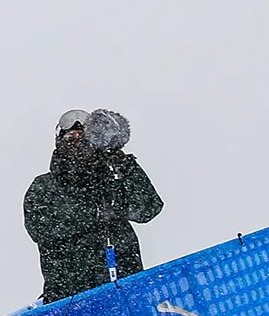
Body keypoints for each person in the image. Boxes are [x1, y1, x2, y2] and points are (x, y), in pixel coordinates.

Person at [24, 109, 166, 304]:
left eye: (83, 138)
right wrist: (94, 215)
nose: (76, 143)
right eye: (70, 138)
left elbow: (148, 207)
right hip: (70, 300)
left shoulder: (112, 177)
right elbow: (40, 228)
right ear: (59, 142)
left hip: (124, 290)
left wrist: (128, 168)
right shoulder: (44, 187)